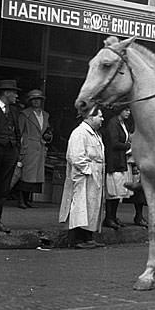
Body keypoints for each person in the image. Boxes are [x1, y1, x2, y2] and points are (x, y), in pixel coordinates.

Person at [59, 106, 107, 249]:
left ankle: (88, 237)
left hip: (95, 175)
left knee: (92, 207)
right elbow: (76, 156)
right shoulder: (79, 133)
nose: (102, 119)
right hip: (84, 176)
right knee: (81, 206)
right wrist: (88, 171)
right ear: (90, 117)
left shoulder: (95, 133)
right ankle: (77, 239)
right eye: (100, 116)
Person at [0, 80, 21, 234]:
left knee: (2, 188)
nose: (16, 95)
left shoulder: (14, 111)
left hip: (9, 152)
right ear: (6, 93)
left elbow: (17, 132)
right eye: (14, 92)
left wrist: (17, 152)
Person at [14, 88, 52, 209]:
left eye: (38, 99)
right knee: (25, 175)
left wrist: (48, 137)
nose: (36, 102)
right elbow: (19, 132)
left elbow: (47, 130)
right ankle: (21, 200)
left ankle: (27, 199)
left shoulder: (45, 115)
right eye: (34, 100)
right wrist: (20, 149)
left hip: (40, 148)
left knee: (35, 176)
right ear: (30, 101)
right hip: (28, 147)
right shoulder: (25, 114)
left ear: (41, 101)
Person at [103, 107, 133, 230]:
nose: (128, 112)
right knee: (112, 191)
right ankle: (109, 217)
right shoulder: (113, 123)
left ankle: (113, 217)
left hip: (121, 159)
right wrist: (129, 146)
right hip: (114, 160)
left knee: (118, 191)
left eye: (129, 110)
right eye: (126, 110)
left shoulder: (123, 123)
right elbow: (114, 143)